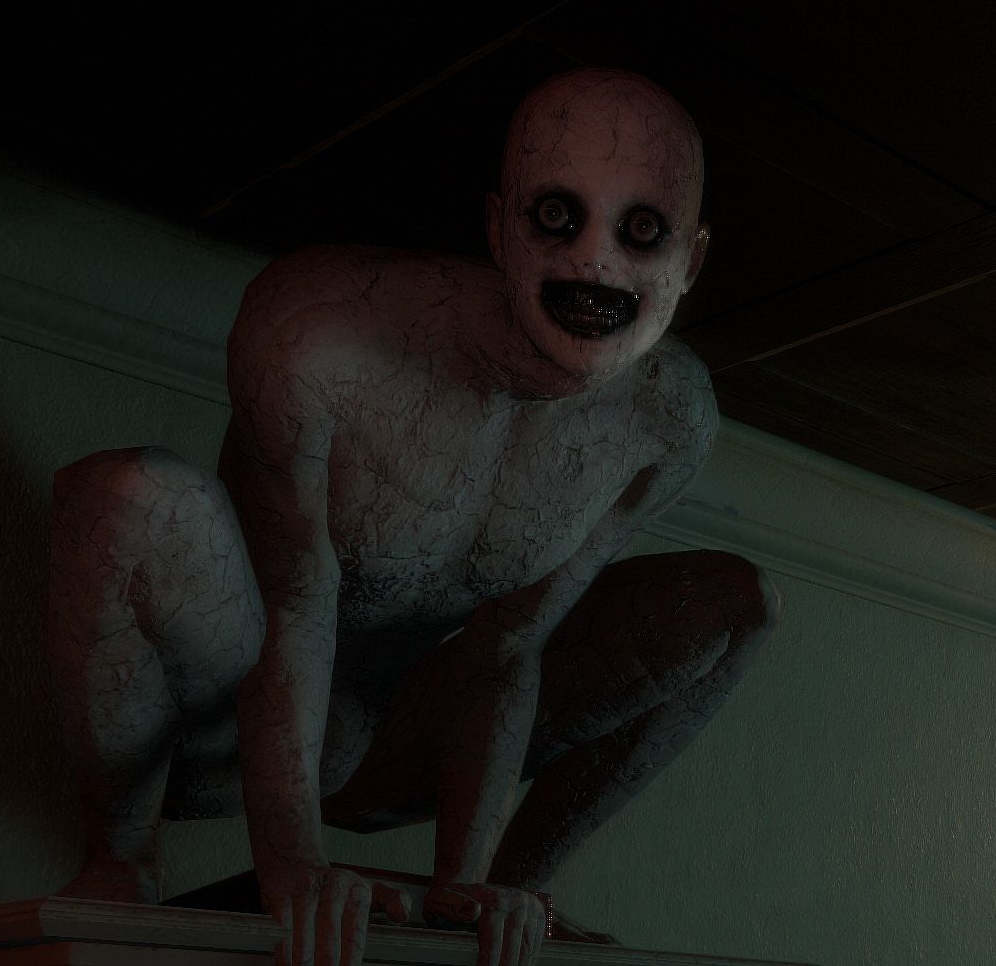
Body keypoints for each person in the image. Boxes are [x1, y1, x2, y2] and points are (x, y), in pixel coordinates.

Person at [49, 68, 780, 966]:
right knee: (124, 496)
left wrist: (466, 883)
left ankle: (520, 894)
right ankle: (118, 862)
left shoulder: (669, 416)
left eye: (639, 231)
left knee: (738, 603)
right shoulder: (320, 330)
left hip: (386, 743)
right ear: (500, 228)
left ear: (690, 259)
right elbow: (295, 603)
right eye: (559, 217)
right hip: (221, 730)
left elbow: (508, 649)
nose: (595, 264)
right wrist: (294, 865)